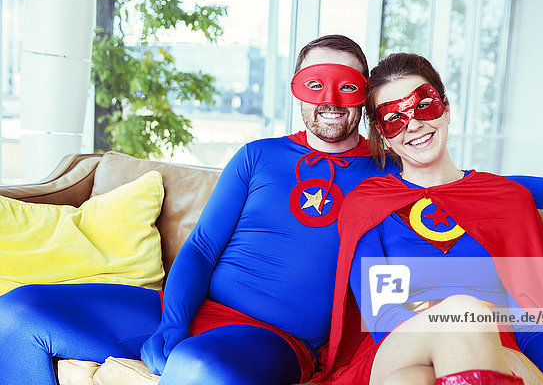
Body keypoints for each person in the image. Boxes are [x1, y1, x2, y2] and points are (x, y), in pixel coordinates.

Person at [0, 35, 399, 385]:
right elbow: (203, 247)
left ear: (366, 96)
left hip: (277, 340)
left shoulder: (391, 176)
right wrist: (173, 324)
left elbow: (416, 272)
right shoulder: (258, 156)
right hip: (195, 310)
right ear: (298, 90)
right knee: (17, 311)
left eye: (346, 86)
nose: (329, 101)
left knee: (198, 365)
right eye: (315, 84)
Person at [320, 53, 543, 385]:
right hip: (395, 347)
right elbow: (383, 315)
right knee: (467, 314)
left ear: (446, 108)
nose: (414, 124)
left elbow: (531, 316)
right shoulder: (367, 204)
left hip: (490, 357)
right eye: (394, 118)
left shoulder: (505, 198)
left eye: (423, 106)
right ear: (382, 133)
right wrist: (467, 325)